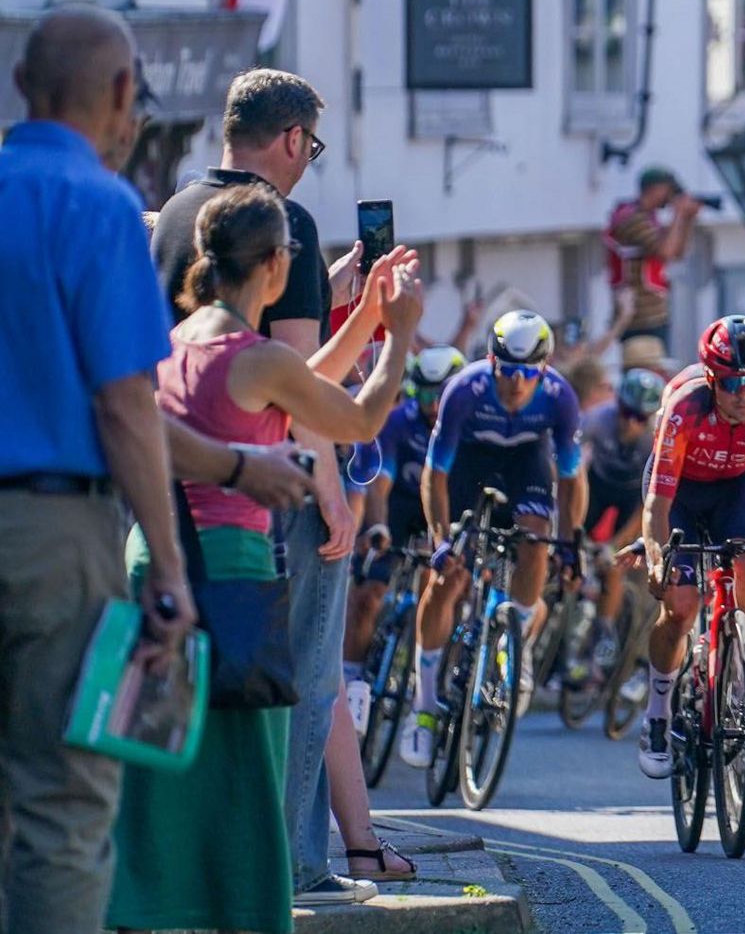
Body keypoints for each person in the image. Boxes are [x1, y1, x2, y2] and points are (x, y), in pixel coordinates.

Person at [108, 185, 423, 932]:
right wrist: (400, 334)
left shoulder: (179, 340)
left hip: (153, 557)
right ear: (277, 267)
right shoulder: (259, 361)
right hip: (234, 570)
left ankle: (143, 911)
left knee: (157, 760)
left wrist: (368, 314)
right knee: (249, 774)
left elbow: (294, 378)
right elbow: (355, 413)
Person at [149, 67, 392, 904]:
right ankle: (293, 862)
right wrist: (331, 487)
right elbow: (298, 385)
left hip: (165, 483)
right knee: (300, 675)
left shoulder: (179, 213)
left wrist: (341, 301)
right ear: (292, 138)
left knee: (183, 685)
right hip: (261, 487)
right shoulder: (282, 220)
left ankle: (185, 870)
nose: (307, 162)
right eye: (311, 146)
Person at [0, 5, 189, 934]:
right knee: (62, 804)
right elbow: (126, 403)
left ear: (19, 87)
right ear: (122, 94)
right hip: (52, 530)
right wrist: (169, 565)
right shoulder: (102, 203)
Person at [632, 317, 745, 780]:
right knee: (680, 605)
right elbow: (657, 503)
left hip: (736, 487)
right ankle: (657, 713)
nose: (744, 392)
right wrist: (658, 560)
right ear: (712, 379)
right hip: (680, 493)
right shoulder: (685, 406)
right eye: (732, 382)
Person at [400, 312, 587, 766]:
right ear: (491, 361)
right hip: (469, 461)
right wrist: (441, 540)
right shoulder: (465, 389)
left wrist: (570, 541)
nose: (518, 383)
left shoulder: (560, 397)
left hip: (526, 461)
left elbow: (570, 479)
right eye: (509, 370)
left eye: (529, 373)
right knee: (446, 580)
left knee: (536, 540)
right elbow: (435, 475)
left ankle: (514, 645)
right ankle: (423, 706)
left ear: (544, 368)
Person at [343, 346, 465, 731]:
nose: (432, 406)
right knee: (367, 597)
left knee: (446, 585)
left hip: (444, 509)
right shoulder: (398, 422)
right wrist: (377, 529)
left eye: (439, 395)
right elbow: (378, 487)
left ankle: (432, 680)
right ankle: (351, 681)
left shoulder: (467, 423)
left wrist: (445, 540)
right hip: (398, 505)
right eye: (424, 394)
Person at [577, 367, 669, 674]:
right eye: (627, 412)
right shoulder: (596, 421)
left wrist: (615, 545)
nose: (631, 422)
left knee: (618, 565)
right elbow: (572, 473)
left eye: (640, 418)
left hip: (635, 495)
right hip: (597, 486)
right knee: (569, 542)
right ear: (618, 405)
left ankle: (610, 635)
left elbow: (648, 503)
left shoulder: (655, 439)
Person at [604, 166, 705, 356]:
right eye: (668, 192)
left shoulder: (647, 218)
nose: (670, 198)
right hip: (638, 317)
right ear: (656, 189)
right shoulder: (632, 219)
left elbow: (677, 253)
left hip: (654, 314)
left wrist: (687, 220)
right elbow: (664, 251)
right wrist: (678, 215)